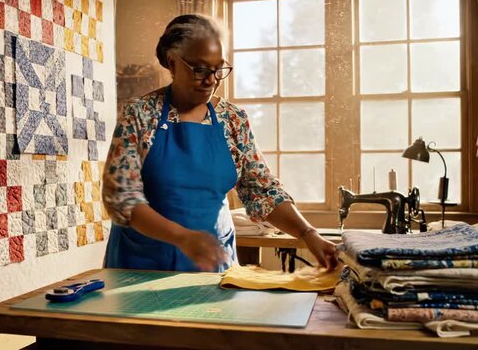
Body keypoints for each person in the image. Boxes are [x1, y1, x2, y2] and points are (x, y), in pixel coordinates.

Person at [102, 14, 338, 273]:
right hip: (142, 264)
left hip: (214, 264)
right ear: (172, 62)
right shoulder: (140, 114)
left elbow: (262, 190)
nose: (212, 79)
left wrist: (308, 233)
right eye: (200, 69)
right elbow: (121, 197)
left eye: (219, 69)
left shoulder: (233, 119)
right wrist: (182, 237)